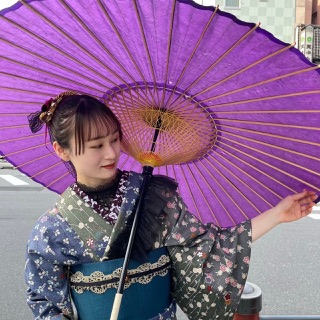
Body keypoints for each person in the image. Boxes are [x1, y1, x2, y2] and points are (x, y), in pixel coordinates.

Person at [25, 92, 317, 320]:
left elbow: (208, 246)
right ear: (61, 150)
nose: (111, 152)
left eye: (115, 139)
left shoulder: (152, 196)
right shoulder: (51, 230)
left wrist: (278, 215)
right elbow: (46, 303)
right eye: (96, 145)